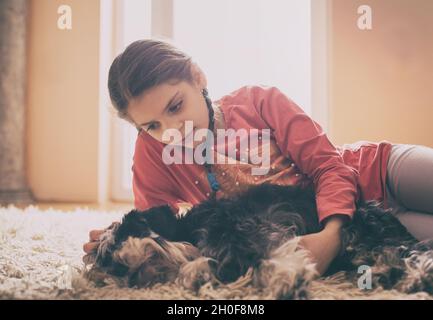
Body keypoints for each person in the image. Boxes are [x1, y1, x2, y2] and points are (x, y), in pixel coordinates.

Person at [83, 39, 433, 276]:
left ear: (198, 79)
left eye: (176, 106)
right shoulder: (154, 153)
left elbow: (329, 166)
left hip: (378, 172)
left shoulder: (259, 101)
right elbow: (165, 229)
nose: (172, 128)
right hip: (370, 228)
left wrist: (332, 235)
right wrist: (118, 241)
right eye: (152, 125)